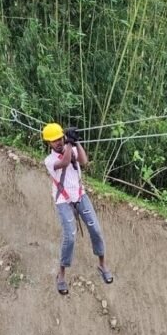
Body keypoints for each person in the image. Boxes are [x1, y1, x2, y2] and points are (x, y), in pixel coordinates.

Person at [42, 123, 113, 295]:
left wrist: (76, 141)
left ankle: (102, 264)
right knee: (70, 236)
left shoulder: (71, 148)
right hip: (63, 200)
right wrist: (69, 143)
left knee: (96, 229)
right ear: (49, 143)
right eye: (54, 141)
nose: (58, 142)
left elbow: (84, 161)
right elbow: (65, 162)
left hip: (80, 195)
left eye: (60, 138)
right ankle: (61, 274)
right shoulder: (49, 160)